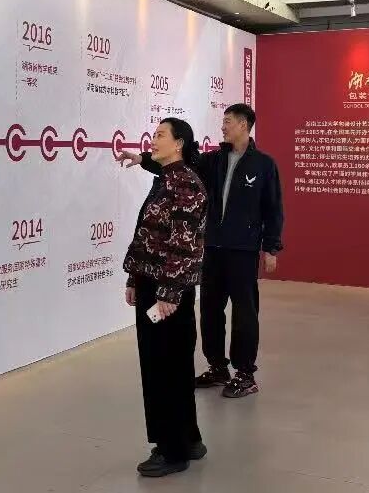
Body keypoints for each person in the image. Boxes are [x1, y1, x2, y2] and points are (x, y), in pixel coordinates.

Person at [118, 103, 283, 399]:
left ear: (244, 124)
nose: (223, 126)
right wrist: (141, 158)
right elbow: (177, 163)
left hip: (243, 250)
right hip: (211, 248)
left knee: (244, 312)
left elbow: (273, 208)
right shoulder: (212, 160)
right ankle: (217, 366)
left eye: (228, 121)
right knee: (209, 309)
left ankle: (245, 373)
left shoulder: (263, 165)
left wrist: (271, 247)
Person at [123, 117, 208, 478]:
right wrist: (134, 277)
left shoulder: (185, 183)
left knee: (164, 369)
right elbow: (148, 236)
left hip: (166, 292)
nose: (152, 140)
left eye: (160, 135)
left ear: (179, 143)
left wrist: (169, 293)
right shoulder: (167, 178)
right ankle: (188, 438)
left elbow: (183, 244)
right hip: (153, 285)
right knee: (172, 367)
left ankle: (172, 452)